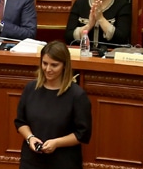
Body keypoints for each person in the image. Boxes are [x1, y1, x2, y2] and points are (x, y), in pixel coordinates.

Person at [14, 41, 92, 169]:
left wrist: (57, 143)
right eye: (45, 63)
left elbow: (82, 134)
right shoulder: (31, 88)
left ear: (64, 66)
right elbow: (20, 121)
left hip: (63, 162)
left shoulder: (77, 95)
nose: (48, 69)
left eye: (54, 65)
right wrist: (30, 137)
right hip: (31, 161)